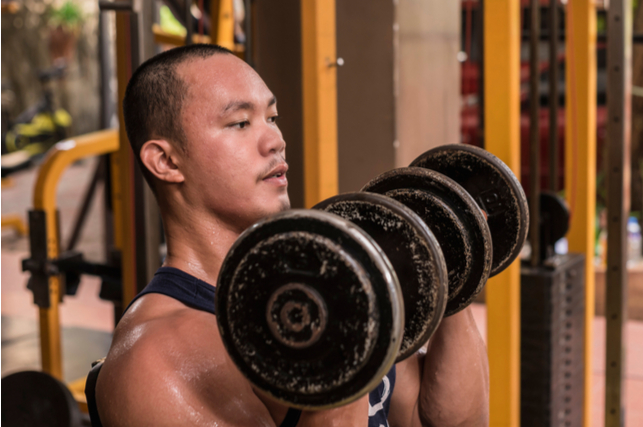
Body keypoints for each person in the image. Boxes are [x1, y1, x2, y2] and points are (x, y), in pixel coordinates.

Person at [95, 44, 489, 427]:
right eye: (239, 123)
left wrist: (448, 261)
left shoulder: (331, 276)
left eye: (272, 116)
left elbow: (430, 419)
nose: (276, 141)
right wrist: (337, 350)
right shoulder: (151, 361)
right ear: (165, 161)